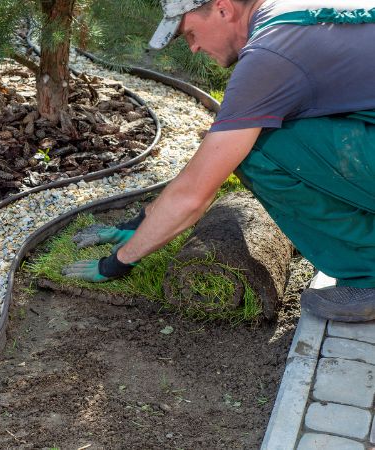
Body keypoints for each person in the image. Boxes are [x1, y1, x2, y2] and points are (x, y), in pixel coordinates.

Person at [62, 0, 375, 322]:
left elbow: (194, 193)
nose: (194, 48)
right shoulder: (293, 13)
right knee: (266, 138)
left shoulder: (270, 56)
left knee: (259, 148)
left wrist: (117, 262)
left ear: (224, 9)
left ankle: (370, 275)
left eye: (191, 33)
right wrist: (139, 223)